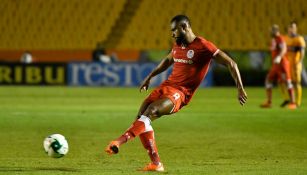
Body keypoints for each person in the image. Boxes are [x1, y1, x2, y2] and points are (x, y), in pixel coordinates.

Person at [105, 15, 247, 172]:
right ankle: (156, 164)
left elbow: (231, 63)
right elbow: (167, 61)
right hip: (166, 86)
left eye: (174, 30)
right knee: (141, 120)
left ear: (184, 27)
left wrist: (240, 87)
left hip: (181, 93)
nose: (172, 33)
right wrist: (149, 77)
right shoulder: (178, 45)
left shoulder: (203, 46)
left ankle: (119, 141)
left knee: (151, 112)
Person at [260, 25, 296, 109]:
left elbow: (284, 49)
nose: (270, 33)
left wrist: (279, 57)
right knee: (268, 80)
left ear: (275, 31)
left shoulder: (280, 38)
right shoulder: (274, 39)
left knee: (288, 82)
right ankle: (269, 102)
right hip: (276, 65)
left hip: (282, 65)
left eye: (271, 31)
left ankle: (293, 103)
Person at [279, 22, 306, 107]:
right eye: (290, 27)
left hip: (295, 64)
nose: (291, 29)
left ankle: (297, 102)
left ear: (296, 28)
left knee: (296, 83)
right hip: (286, 64)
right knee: (282, 81)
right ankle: (287, 99)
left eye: (293, 27)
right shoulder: (284, 38)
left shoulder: (299, 39)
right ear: (288, 28)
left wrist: (299, 62)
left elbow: (302, 52)